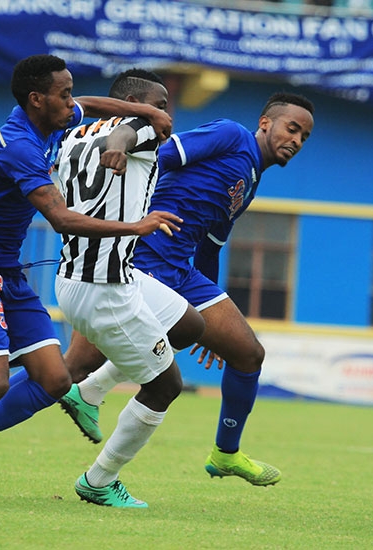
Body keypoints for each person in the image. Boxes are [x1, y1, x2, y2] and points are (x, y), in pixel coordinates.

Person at [0, 54, 181, 506]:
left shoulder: (46, 122)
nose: (72, 103)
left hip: (7, 269)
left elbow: (74, 110)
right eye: (62, 95)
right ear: (36, 99)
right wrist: (136, 227)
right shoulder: (23, 145)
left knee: (55, 379)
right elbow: (62, 218)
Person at [61, 92, 315, 487]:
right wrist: (129, 209)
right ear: (266, 123)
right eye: (292, 128)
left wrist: (209, 312)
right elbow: (160, 157)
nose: (297, 141)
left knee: (248, 354)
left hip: (181, 269)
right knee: (71, 368)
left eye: (305, 137)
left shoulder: (250, 178)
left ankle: (225, 454)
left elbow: (211, 245)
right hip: (144, 256)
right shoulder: (231, 135)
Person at [53, 68, 206, 507]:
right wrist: (120, 146)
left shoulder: (74, 135)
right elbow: (126, 131)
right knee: (165, 387)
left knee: (188, 326)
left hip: (87, 273)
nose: (166, 117)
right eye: (160, 106)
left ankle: (90, 392)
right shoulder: (138, 126)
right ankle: (98, 481)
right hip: (105, 286)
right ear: (135, 103)